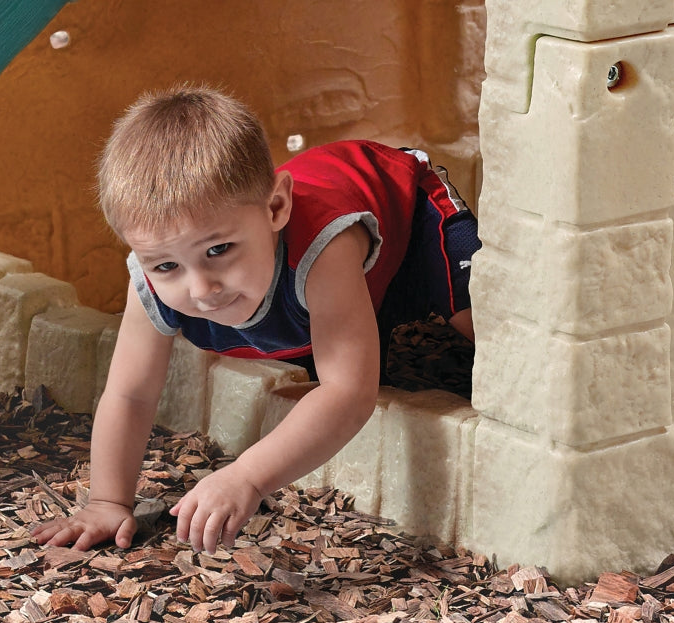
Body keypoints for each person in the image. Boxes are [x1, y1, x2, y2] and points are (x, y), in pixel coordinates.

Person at [32, 85, 479, 555]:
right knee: (337, 335)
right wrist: (107, 500)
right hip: (330, 280)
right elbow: (129, 392)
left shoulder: (323, 248)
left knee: (478, 326)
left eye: (219, 250)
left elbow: (348, 393)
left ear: (275, 208)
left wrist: (247, 476)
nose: (202, 289)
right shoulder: (150, 281)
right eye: (166, 266)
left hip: (409, 207)